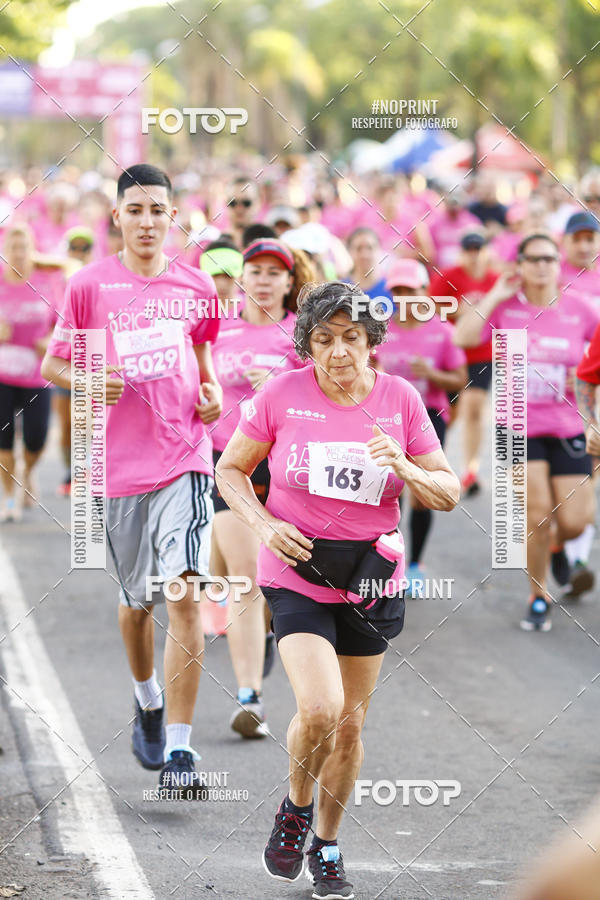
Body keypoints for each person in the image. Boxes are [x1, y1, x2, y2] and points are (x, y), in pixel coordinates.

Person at [216, 281, 460, 899]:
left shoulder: (400, 399)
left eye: (352, 337)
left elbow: (448, 492)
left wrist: (404, 466)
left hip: (369, 577)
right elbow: (231, 470)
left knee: (349, 729)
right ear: (307, 345)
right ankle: (295, 809)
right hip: (296, 571)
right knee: (320, 709)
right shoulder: (281, 394)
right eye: (323, 339)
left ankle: (326, 844)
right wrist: (265, 523)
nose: (339, 351)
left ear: (372, 341)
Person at [41, 164, 223, 796]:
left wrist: (213, 391)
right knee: (135, 604)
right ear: (116, 216)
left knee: (184, 594)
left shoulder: (197, 287)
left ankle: (179, 748)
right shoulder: (89, 287)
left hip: (184, 459)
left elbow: (205, 356)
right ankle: (146, 699)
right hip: (117, 468)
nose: (148, 222)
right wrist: (91, 380)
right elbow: (54, 363)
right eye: (136, 210)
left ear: (173, 218)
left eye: (158, 211)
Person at [455, 233, 599, 631]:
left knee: (575, 521)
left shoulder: (581, 310)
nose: (541, 266)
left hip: (569, 426)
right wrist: (493, 296)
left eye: (548, 259)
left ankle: (557, 545)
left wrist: (584, 374)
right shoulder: (505, 310)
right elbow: (462, 338)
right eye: (532, 259)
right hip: (517, 427)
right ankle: (539, 595)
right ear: (519, 265)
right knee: (537, 516)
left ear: (558, 264)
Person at [210, 238, 315, 738]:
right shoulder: (218, 327)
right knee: (244, 577)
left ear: (290, 282)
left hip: (289, 466)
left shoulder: (302, 335)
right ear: (243, 278)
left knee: (281, 580)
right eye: (256, 270)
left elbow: (328, 390)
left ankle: (271, 633)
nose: (266, 280)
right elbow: (195, 382)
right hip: (228, 462)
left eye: (277, 272)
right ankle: (250, 696)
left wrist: (280, 379)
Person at [376, 259, 467, 594]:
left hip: (429, 415)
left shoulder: (442, 331)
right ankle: (386, 564)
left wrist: (431, 375)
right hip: (385, 418)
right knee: (385, 490)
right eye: (397, 291)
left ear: (424, 292)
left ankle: (415, 565)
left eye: (410, 290)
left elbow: (460, 379)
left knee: (422, 494)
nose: (404, 297)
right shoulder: (379, 329)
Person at [0, 224, 64, 520]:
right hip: (2, 376)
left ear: (32, 250)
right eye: (13, 248)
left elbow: (64, 325)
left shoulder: (47, 282)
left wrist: (50, 340)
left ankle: (28, 470)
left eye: (24, 247)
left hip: (38, 376)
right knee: (4, 441)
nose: (18, 253)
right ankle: (10, 496)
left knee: (36, 440)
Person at [430, 232, 500, 494]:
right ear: (462, 252)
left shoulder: (495, 279)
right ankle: (434, 458)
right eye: (469, 249)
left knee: (473, 408)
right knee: (450, 412)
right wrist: (459, 309)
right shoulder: (449, 275)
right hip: (451, 354)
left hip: (482, 353)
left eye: (479, 249)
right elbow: (427, 309)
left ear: (486, 251)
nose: (474, 255)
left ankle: (471, 470)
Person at [560, 211, 600, 309]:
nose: (583, 248)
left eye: (590, 240)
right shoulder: (554, 273)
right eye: (576, 240)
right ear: (564, 241)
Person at [343, 227, 391, 299]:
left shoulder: (392, 289)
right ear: (349, 251)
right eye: (358, 248)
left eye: (370, 248)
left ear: (379, 250)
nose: (364, 255)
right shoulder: (341, 290)